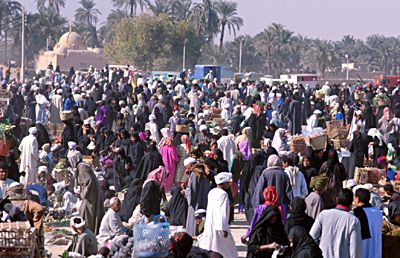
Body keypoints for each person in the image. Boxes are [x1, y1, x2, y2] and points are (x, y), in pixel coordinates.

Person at [310, 189, 362, 258]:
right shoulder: (353, 221)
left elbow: (312, 237)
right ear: (351, 203)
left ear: (337, 199)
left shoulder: (324, 214)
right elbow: (355, 251)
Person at [198, 172, 238, 258]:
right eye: (228, 183)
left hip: (210, 224)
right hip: (220, 227)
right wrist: (223, 228)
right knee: (228, 250)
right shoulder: (223, 194)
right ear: (223, 183)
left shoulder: (212, 192)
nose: (229, 185)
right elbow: (221, 211)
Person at [68, 150, 104, 235]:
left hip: (90, 195)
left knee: (88, 214)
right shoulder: (81, 166)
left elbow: (88, 182)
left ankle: (89, 231)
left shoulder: (82, 167)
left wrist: (82, 194)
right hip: (90, 193)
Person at [252, 155, 293, 220]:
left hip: (268, 207)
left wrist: (257, 206)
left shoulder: (265, 173)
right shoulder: (284, 174)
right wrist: (292, 204)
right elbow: (289, 192)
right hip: (281, 206)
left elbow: (259, 191)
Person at [353, 188, 382, 258]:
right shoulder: (377, 211)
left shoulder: (357, 213)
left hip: (363, 251)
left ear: (357, 199)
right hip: (376, 251)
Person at [186, 163, 212, 236]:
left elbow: (192, 189)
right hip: (204, 201)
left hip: (195, 202)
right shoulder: (206, 174)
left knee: (193, 220)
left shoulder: (194, 174)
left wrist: (187, 196)